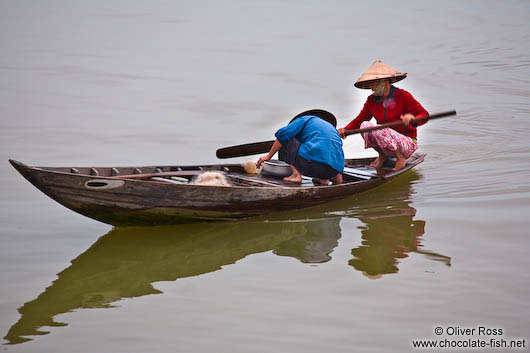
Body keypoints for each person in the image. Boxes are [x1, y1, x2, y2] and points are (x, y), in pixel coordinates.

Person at [338, 61, 429, 171]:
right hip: (386, 145)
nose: (372, 88)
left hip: (407, 145)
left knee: (379, 128)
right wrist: (345, 130)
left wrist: (413, 119)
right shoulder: (371, 100)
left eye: (374, 84)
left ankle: (400, 157)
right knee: (365, 125)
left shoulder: (403, 96)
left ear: (385, 82)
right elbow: (360, 119)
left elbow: (424, 115)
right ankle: (382, 155)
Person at [256, 111, 344, 185]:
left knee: (286, 138)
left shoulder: (305, 119)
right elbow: (338, 158)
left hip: (309, 164)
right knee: (330, 152)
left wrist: (268, 156)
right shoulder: (332, 130)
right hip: (332, 171)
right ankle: (323, 180)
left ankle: (296, 175)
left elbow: (282, 135)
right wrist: (338, 185)